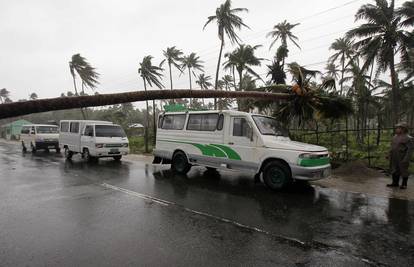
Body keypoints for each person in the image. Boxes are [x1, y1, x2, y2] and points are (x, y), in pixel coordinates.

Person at [387, 123, 413, 189]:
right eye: (397, 128)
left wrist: (406, 158)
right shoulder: (395, 137)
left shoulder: (408, 138)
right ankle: (395, 183)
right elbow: (392, 147)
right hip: (394, 156)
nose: (396, 129)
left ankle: (404, 184)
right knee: (394, 169)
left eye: (398, 128)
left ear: (403, 129)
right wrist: (389, 154)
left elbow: (410, 149)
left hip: (402, 156)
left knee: (403, 169)